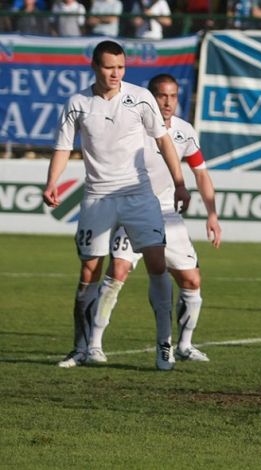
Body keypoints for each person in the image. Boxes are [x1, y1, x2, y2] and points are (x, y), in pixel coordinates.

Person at [43, 40, 191, 370]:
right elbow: (63, 148)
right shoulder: (79, 103)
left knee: (156, 264)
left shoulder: (140, 97)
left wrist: (180, 183)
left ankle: (164, 345)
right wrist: (53, 181)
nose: (116, 73)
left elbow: (163, 140)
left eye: (121, 67)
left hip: (139, 196)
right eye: (110, 66)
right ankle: (81, 347)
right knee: (89, 272)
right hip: (98, 198)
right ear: (95, 66)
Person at [87, 74, 222, 367]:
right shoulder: (132, 124)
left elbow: (201, 172)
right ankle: (93, 344)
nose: (168, 102)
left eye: (173, 96)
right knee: (118, 271)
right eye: (162, 96)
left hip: (167, 214)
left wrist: (212, 214)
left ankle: (183, 345)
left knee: (191, 279)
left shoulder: (184, 131)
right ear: (150, 97)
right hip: (133, 207)